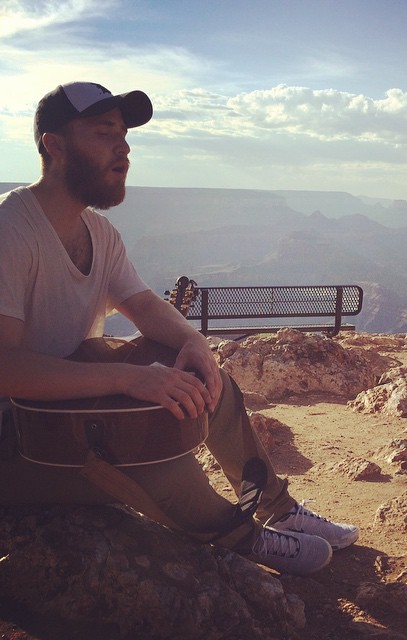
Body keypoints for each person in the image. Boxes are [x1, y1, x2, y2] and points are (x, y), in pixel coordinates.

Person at [0, 81, 359, 576]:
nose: (123, 147)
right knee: (157, 459)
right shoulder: (10, 229)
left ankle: (279, 508)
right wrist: (126, 378)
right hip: (18, 437)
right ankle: (246, 538)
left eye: (124, 134)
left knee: (204, 378)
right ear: (54, 145)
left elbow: (143, 304)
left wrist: (194, 343)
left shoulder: (99, 232)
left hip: (71, 409)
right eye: (104, 132)